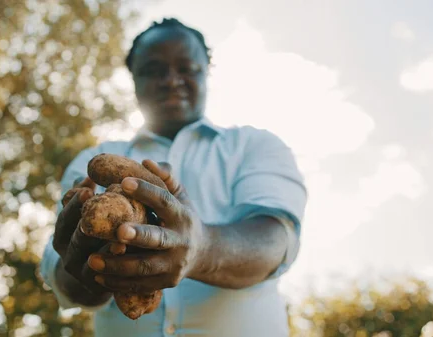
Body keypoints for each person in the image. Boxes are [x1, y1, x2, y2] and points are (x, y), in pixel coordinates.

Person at [40, 18, 307, 336]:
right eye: (153, 69)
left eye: (187, 67)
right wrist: (88, 274)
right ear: (134, 80)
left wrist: (203, 248)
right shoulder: (91, 161)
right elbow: (65, 275)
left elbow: (275, 241)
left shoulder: (255, 145)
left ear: (206, 72)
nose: (171, 80)